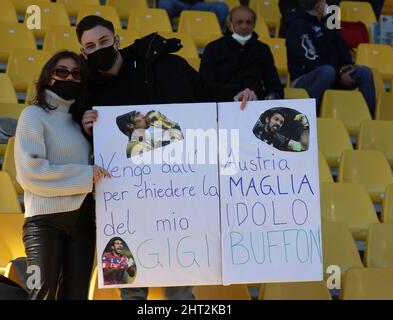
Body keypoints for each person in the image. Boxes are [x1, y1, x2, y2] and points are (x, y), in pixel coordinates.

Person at [75, 15, 256, 300]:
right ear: (84, 52)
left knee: (179, 282)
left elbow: (206, 95)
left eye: (104, 41)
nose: (99, 48)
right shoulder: (86, 89)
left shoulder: (166, 65)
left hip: (174, 191)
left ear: (116, 40)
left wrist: (238, 96)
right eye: (91, 46)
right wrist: (86, 128)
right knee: (130, 287)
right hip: (122, 199)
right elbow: (82, 141)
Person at [14, 51, 111, 300]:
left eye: (76, 74)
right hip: (44, 224)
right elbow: (30, 173)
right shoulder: (33, 115)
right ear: (48, 77)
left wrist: (92, 136)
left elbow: (101, 171)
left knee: (76, 296)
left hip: (83, 222)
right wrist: (85, 175)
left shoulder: (77, 122)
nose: (69, 77)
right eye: (62, 72)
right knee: (40, 293)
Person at [285, 0, 376, 115]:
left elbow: (341, 45)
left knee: (365, 72)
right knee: (326, 72)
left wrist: (346, 67)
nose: (326, 4)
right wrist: (339, 73)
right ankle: (312, 118)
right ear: (318, 5)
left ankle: (369, 119)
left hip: (334, 72)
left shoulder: (329, 19)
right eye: (323, 2)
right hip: (305, 78)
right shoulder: (296, 23)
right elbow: (312, 61)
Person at [200, 5, 284, 100]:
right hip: (223, 105)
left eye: (248, 22)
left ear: (254, 25)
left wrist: (272, 96)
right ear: (230, 25)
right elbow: (206, 85)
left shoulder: (263, 49)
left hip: (255, 104)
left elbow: (274, 84)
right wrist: (233, 96)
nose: (244, 26)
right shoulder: (213, 48)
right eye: (239, 22)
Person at [116, 110, 183, 158]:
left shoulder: (148, 141)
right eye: (137, 115)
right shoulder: (135, 147)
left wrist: (163, 121)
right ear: (130, 125)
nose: (144, 116)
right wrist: (163, 121)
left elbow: (178, 142)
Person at [157, 0, 229, 29]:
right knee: (164, 3)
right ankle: (167, 34)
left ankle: (214, 37)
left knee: (222, 8)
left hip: (198, 4)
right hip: (176, 3)